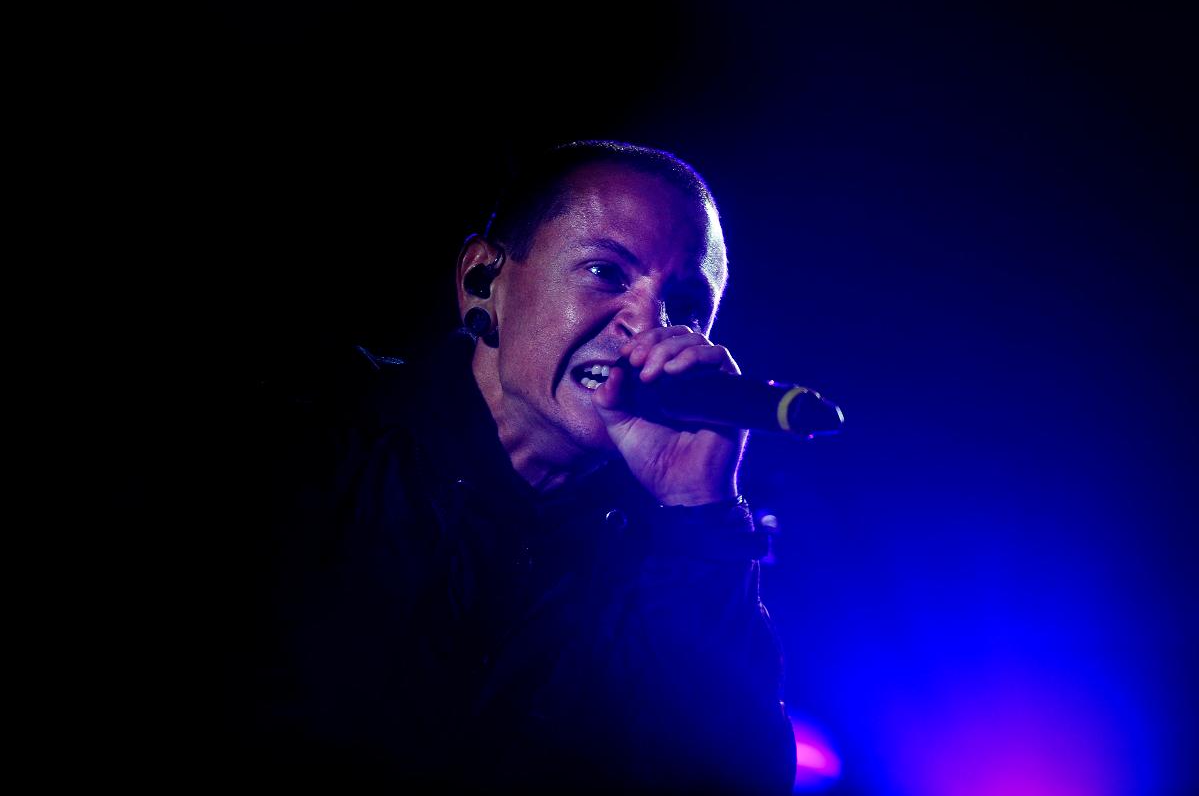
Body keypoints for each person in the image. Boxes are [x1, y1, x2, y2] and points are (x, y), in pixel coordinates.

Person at [218, 141, 797, 793]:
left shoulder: (661, 557)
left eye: (687, 308)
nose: (646, 325)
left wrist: (699, 520)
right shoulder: (305, 439)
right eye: (606, 272)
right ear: (482, 281)